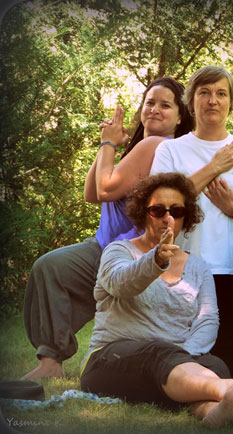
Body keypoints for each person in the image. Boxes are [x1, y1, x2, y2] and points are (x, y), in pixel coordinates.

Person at [22, 77, 192, 380]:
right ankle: (51, 360)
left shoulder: (157, 145)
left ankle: (51, 361)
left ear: (181, 116)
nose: (154, 109)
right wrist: (109, 145)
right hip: (105, 243)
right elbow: (91, 193)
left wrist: (109, 144)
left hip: (125, 248)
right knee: (52, 269)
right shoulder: (143, 146)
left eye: (165, 105)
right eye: (149, 102)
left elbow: (103, 190)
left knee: (51, 267)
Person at [80, 173, 233, 427]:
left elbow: (208, 320)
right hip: (111, 359)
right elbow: (120, 284)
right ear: (143, 213)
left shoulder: (198, 267)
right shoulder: (119, 251)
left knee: (215, 363)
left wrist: (181, 358)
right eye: (158, 210)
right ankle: (228, 387)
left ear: (185, 218)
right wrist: (155, 261)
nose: (168, 218)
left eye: (176, 211)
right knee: (159, 353)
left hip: (175, 363)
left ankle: (212, 413)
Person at [150, 65, 233, 376]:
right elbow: (163, 205)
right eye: (204, 93)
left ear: (232, 102)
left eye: (221, 93)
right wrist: (214, 166)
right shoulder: (170, 150)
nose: (212, 100)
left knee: (225, 366)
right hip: (182, 268)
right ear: (191, 101)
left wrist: (232, 208)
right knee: (179, 359)